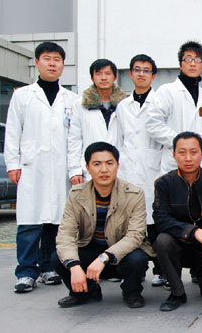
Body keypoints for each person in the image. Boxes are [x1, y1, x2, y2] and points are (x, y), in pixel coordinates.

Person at [4, 41, 79, 293]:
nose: (52, 64)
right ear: (37, 62)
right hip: (31, 168)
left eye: (57, 60)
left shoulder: (71, 99)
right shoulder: (23, 96)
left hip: (60, 169)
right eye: (47, 59)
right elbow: (13, 132)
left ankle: (48, 267)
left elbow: (74, 138)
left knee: (55, 222)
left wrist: (75, 169)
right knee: (29, 221)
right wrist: (12, 163)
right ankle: (26, 271)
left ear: (63, 65)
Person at [52, 142, 153, 308]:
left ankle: (131, 292)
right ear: (87, 167)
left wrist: (104, 257)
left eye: (109, 163)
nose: (104, 170)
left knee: (138, 259)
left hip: (120, 254)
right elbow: (66, 234)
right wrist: (74, 265)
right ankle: (85, 293)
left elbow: (135, 236)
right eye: (97, 164)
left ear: (117, 165)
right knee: (58, 258)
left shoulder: (134, 194)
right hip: (91, 251)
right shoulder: (76, 194)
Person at [153, 132, 202, 311]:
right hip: (180, 244)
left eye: (193, 152)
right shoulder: (164, 183)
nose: (188, 158)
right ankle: (177, 293)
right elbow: (161, 219)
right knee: (162, 241)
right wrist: (192, 231)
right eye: (182, 152)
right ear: (174, 155)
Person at [108, 54, 165, 287]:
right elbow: (115, 141)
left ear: (153, 76)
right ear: (130, 74)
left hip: (154, 171)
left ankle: (161, 270)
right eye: (137, 70)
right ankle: (135, 270)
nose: (141, 74)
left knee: (155, 224)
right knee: (130, 225)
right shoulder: (122, 106)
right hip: (129, 172)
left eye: (146, 70)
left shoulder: (160, 102)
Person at [146, 40, 202, 174]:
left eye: (198, 59)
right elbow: (153, 124)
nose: (193, 63)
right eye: (188, 59)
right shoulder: (166, 91)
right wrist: (180, 142)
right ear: (180, 64)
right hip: (175, 162)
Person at [68, 59, 128, 183]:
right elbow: (75, 139)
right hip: (90, 169)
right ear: (92, 78)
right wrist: (75, 170)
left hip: (120, 168)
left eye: (108, 73)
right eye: (99, 74)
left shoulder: (125, 104)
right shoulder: (80, 105)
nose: (103, 78)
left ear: (115, 77)